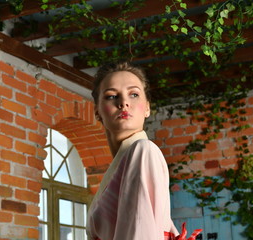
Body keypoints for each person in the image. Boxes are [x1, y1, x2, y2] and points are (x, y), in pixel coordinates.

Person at [86, 61, 202, 240]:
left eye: (133, 94)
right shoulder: (124, 162)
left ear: (147, 107)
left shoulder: (142, 151)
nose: (124, 103)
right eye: (111, 96)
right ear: (98, 111)